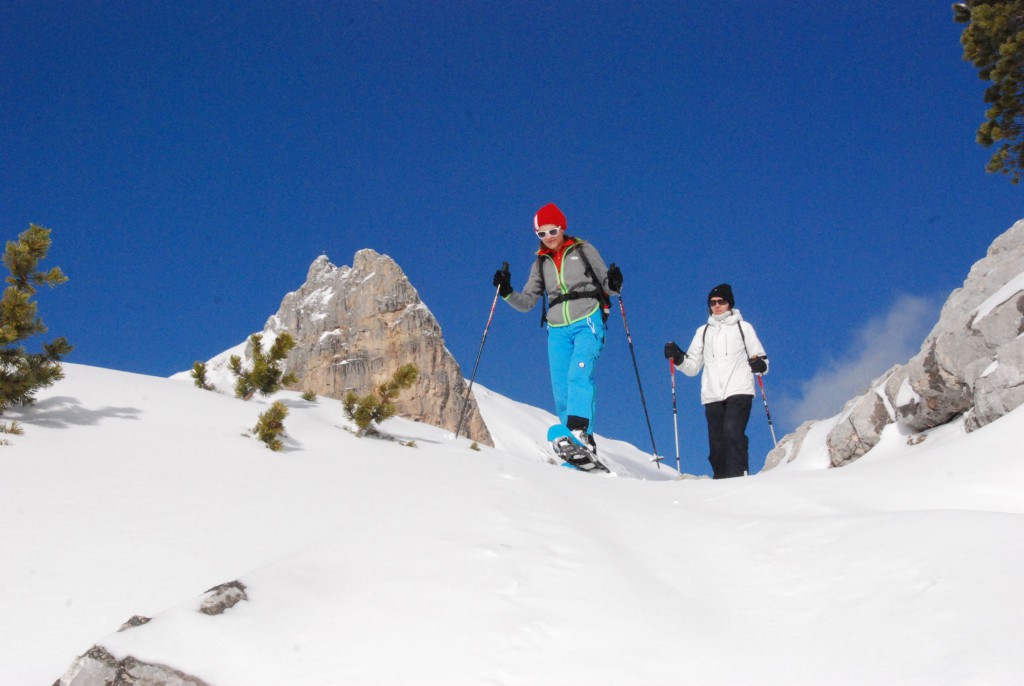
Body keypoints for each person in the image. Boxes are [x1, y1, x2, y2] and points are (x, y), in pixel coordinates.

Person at [492, 202, 622, 456]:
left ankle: (582, 433)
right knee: (561, 387)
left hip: (587, 320)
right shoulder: (540, 264)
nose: (548, 238)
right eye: (542, 234)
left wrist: (615, 281)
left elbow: (609, 285)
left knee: (579, 373)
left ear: (562, 227)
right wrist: (506, 291)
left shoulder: (583, 250)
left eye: (552, 231)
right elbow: (528, 302)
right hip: (557, 330)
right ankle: (572, 447)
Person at [664, 284, 768, 478]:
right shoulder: (703, 332)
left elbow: (761, 358)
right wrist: (678, 357)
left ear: (730, 304)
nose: (717, 306)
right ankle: (721, 482)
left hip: (739, 389)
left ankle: (738, 477)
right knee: (717, 446)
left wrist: (760, 365)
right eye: (713, 303)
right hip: (712, 395)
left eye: (722, 302)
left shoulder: (743, 328)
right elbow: (693, 366)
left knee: (732, 432)